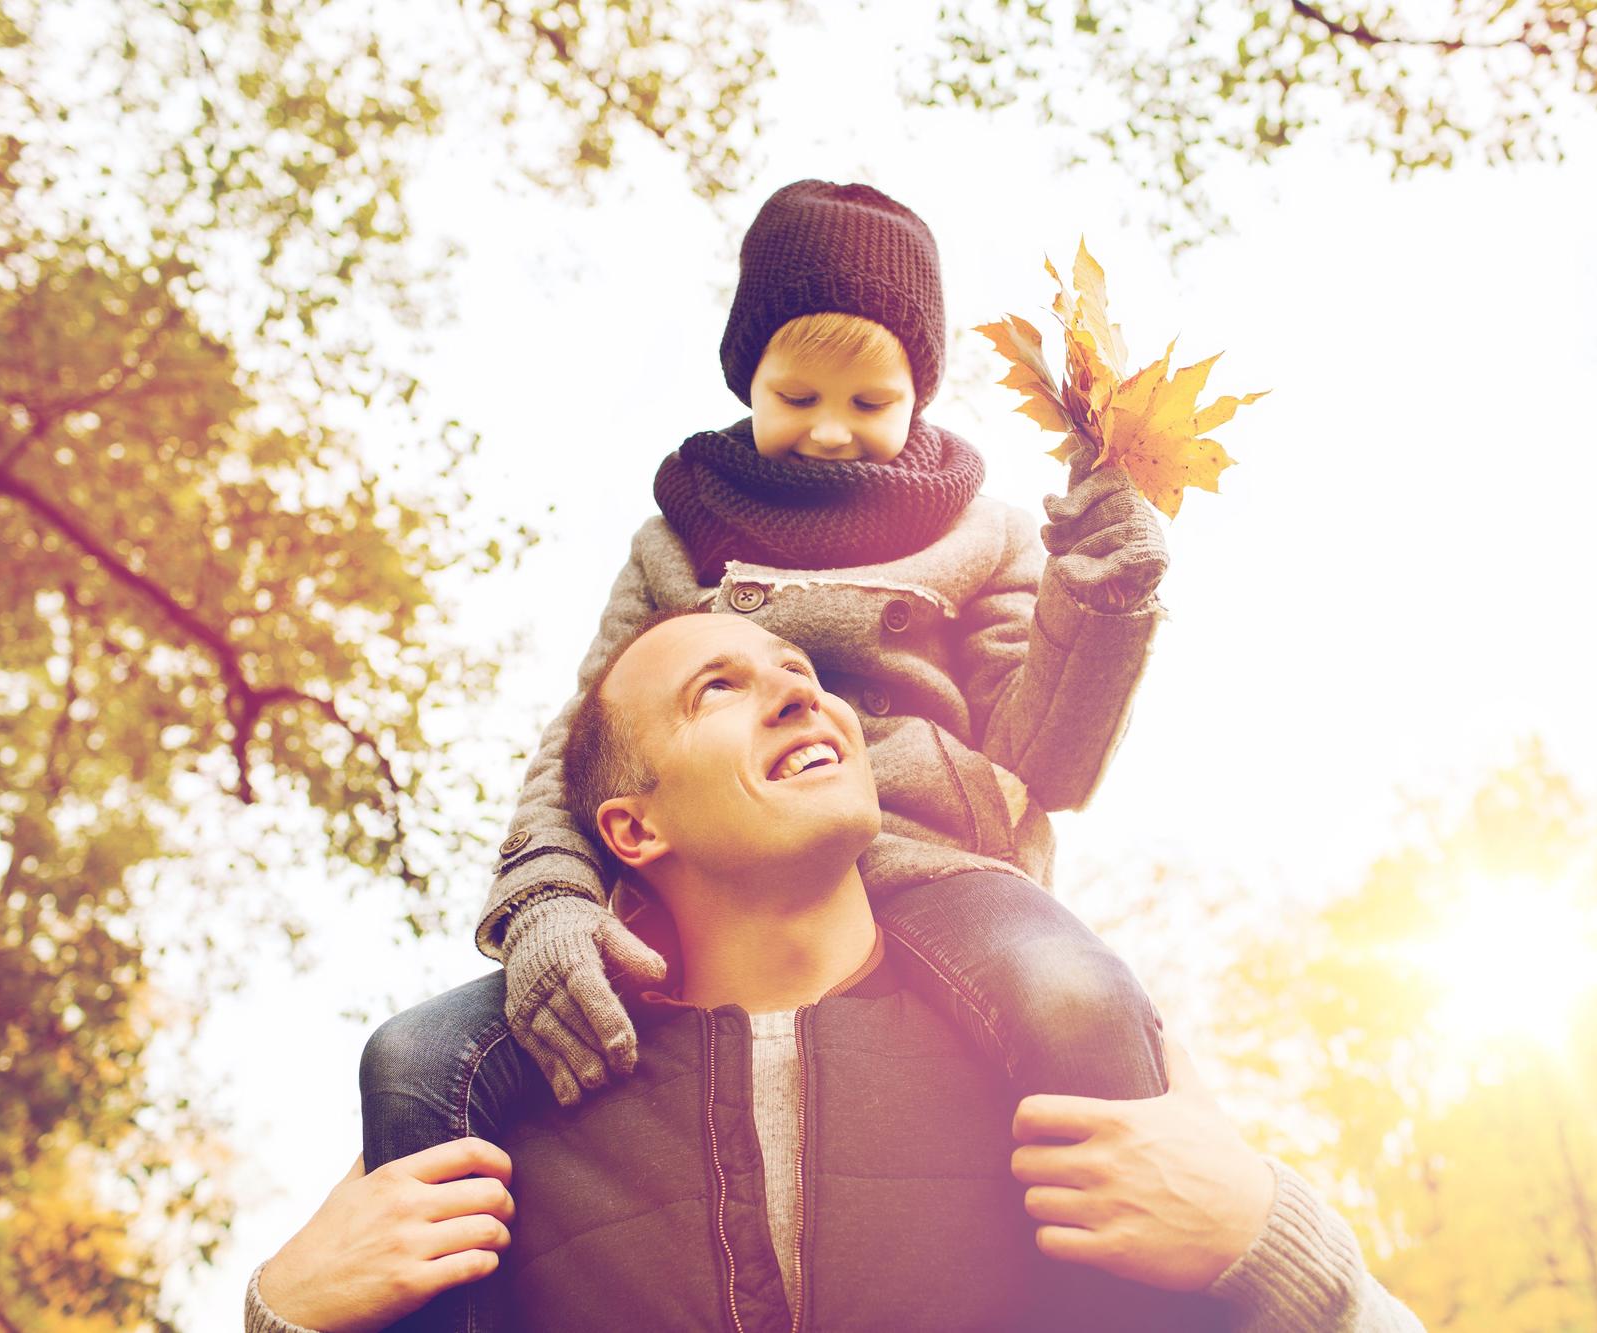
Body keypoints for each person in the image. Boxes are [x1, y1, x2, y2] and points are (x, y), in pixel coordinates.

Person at [247, 613, 1424, 1332]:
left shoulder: (1081, 1065)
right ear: (631, 828)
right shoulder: (493, 1134)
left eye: (794, 666)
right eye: (719, 687)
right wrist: (279, 1319)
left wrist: (1272, 1247)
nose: (800, 689)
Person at [361, 176, 1182, 1190]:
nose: (830, 431)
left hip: (932, 867)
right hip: (698, 885)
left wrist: (1099, 602)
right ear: (747, 379)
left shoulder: (985, 534)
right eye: (796, 398)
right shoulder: (679, 543)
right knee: (417, 1063)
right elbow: (587, 743)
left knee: (1077, 996)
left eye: (868, 403)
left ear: (917, 396)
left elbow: (1042, 760)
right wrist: (549, 903)